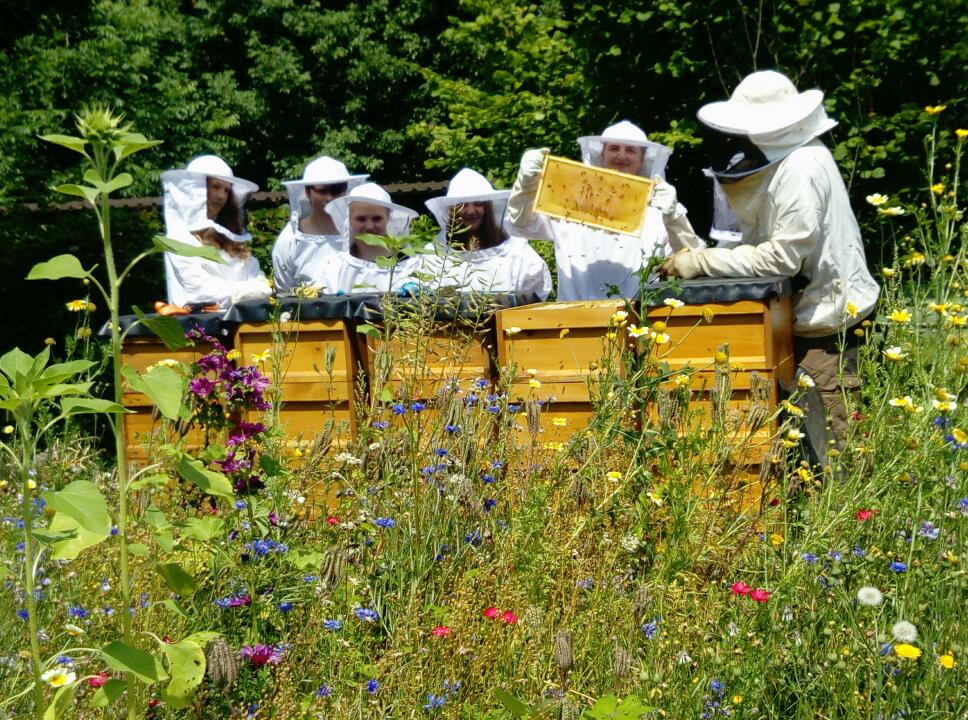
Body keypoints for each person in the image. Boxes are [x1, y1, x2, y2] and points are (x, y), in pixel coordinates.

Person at [658, 70, 880, 442]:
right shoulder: (791, 160)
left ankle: (850, 502)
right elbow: (761, 243)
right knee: (804, 438)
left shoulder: (801, 168)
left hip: (829, 324)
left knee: (834, 440)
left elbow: (781, 259)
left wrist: (700, 262)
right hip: (810, 315)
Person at [506, 120, 702, 300]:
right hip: (573, 320)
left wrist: (674, 216)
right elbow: (521, 225)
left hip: (636, 321)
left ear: (642, 158)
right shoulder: (570, 201)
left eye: (631, 150)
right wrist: (526, 187)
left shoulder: (659, 207)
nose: (621, 156)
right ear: (602, 154)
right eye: (614, 148)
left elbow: (691, 258)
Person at [421, 168, 551, 300]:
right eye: (463, 205)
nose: (470, 211)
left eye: (478, 204)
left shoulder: (517, 253)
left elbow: (537, 295)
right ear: (452, 210)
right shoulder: (434, 256)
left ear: (488, 208)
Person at [161, 155, 271, 308]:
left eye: (226, 190)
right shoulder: (178, 239)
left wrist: (254, 289)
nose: (221, 196)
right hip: (199, 329)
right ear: (195, 189)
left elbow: (258, 277)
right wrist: (248, 291)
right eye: (215, 187)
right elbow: (201, 292)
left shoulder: (230, 238)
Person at [272, 156, 369, 294]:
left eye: (337, 190)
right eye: (322, 191)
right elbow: (284, 293)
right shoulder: (289, 240)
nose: (329, 198)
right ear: (307, 192)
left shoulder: (361, 232)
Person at [318, 183, 419, 294]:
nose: (369, 226)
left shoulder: (410, 267)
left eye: (377, 218)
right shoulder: (334, 268)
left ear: (388, 217)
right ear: (349, 220)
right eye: (361, 219)